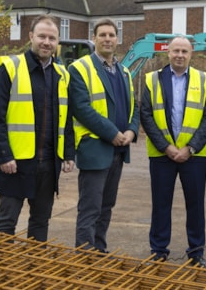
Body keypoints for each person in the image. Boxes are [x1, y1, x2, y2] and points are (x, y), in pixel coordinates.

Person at [0, 14, 75, 242]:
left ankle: (34, 269)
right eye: (42, 36)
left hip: (48, 163)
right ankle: (0, 273)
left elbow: (66, 118)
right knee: (7, 222)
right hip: (15, 162)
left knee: (40, 222)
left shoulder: (62, 74)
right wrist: (4, 155)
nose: (47, 42)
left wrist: (68, 153)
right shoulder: (10, 67)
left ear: (57, 42)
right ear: (30, 37)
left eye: (52, 38)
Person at [140, 36, 206, 268]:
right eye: (175, 51)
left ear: (191, 54)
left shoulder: (205, 80)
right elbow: (146, 114)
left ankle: (196, 252)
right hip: (163, 155)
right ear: (168, 53)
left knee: (195, 205)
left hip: (193, 156)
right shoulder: (152, 79)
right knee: (160, 204)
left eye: (184, 51)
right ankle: (159, 250)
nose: (180, 55)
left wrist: (190, 148)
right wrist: (167, 147)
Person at [68, 18, 139, 253]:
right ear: (94, 38)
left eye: (111, 35)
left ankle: (99, 250)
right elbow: (81, 107)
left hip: (118, 150)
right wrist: (113, 134)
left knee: (107, 205)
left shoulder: (125, 71)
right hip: (95, 149)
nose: (107, 39)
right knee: (90, 207)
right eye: (102, 35)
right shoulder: (79, 68)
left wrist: (131, 130)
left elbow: (133, 107)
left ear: (117, 39)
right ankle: (85, 255)